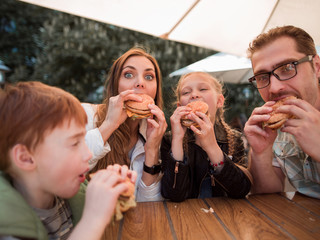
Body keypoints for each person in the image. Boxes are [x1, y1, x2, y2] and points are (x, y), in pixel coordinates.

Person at [0, 81, 137, 239]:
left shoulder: (68, 194)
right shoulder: (8, 231)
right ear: (26, 158)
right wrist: (93, 219)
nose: (89, 154)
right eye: (74, 143)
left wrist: (114, 194)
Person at [244, 25, 320, 198]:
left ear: (316, 66)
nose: (275, 88)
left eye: (287, 68)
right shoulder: (276, 125)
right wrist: (261, 153)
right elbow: (267, 192)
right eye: (263, 77)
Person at [82, 47, 167, 202]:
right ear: (116, 84)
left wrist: (152, 149)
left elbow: (148, 203)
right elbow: (66, 169)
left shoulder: (156, 133)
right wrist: (109, 124)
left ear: (156, 89)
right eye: (128, 74)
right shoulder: (86, 115)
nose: (140, 83)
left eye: (149, 77)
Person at [161, 72, 252, 202]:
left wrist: (211, 147)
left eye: (203, 89)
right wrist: (177, 140)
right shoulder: (169, 140)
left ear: (219, 101)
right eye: (186, 92)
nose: (194, 95)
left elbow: (240, 190)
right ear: (180, 107)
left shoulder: (234, 138)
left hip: (225, 217)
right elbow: (174, 194)